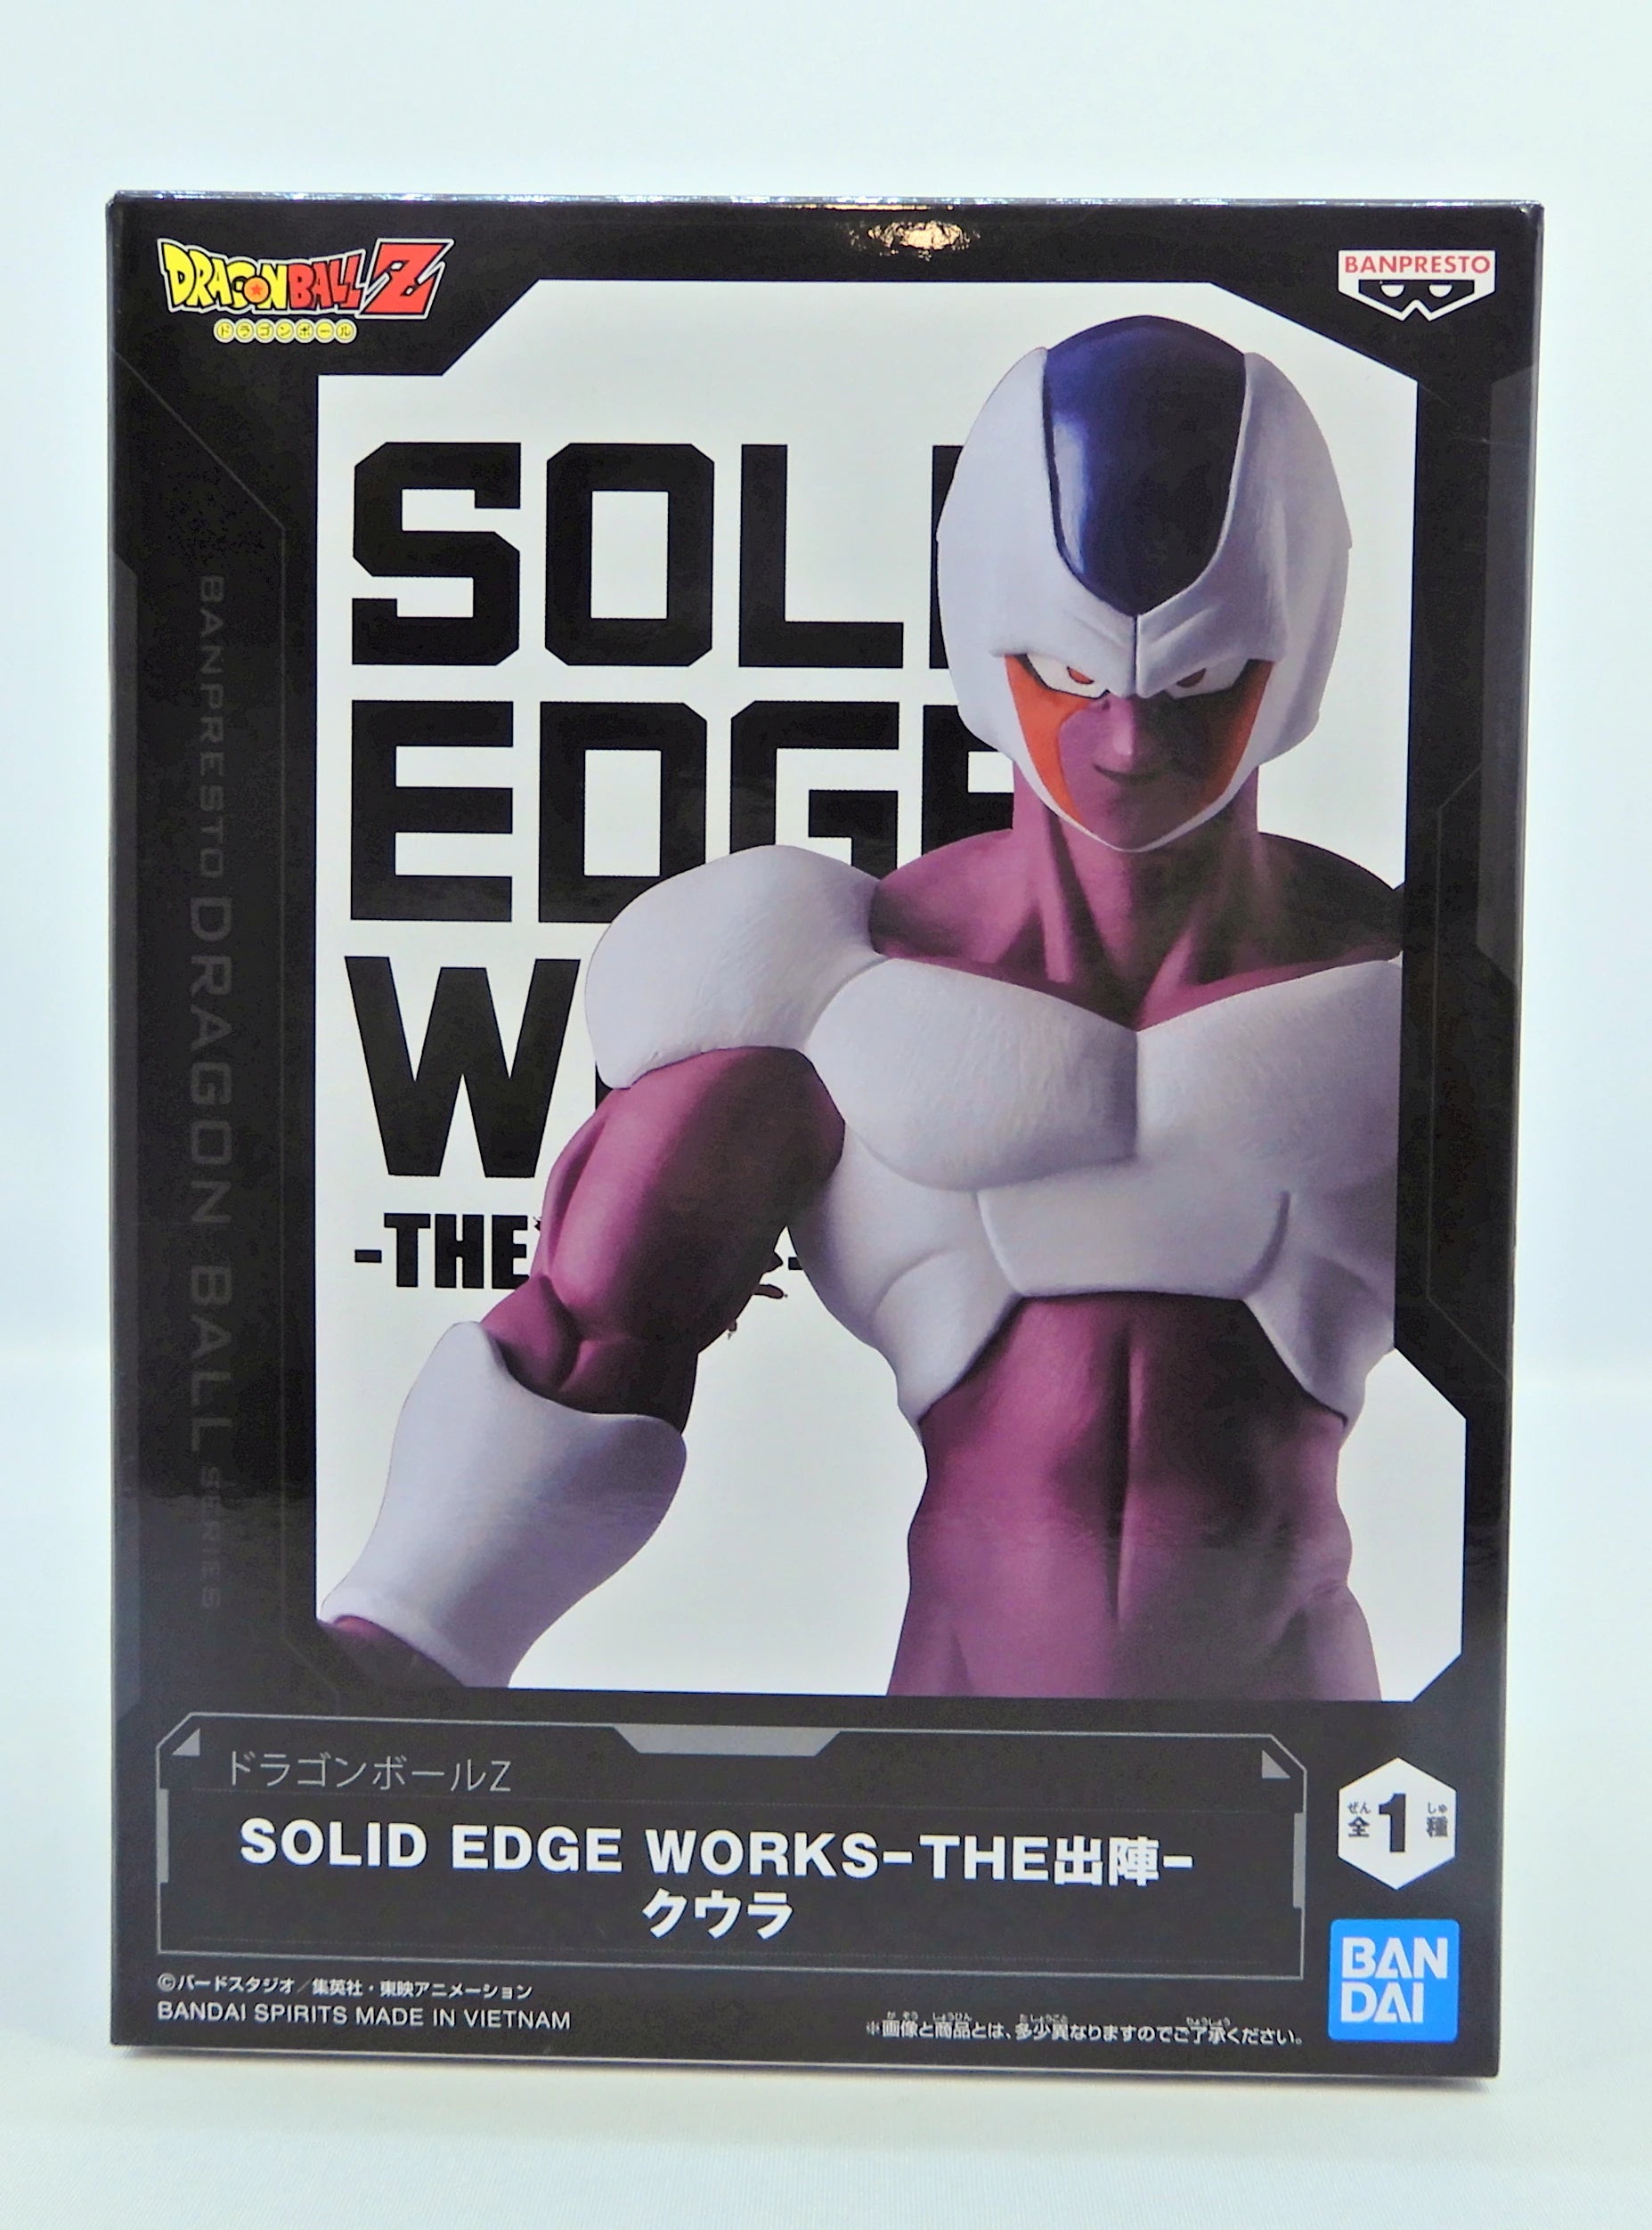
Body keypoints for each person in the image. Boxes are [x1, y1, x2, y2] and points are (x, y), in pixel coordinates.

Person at [323, 314, 1401, 1701]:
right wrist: (393, 1663)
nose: (1132, 738)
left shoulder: (1419, 1004)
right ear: (988, 634)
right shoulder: (821, 986)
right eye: (1073, 675)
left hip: (1308, 1762)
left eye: (1198, 681)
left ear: (1297, 646)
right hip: (947, 1759)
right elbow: (582, 1350)